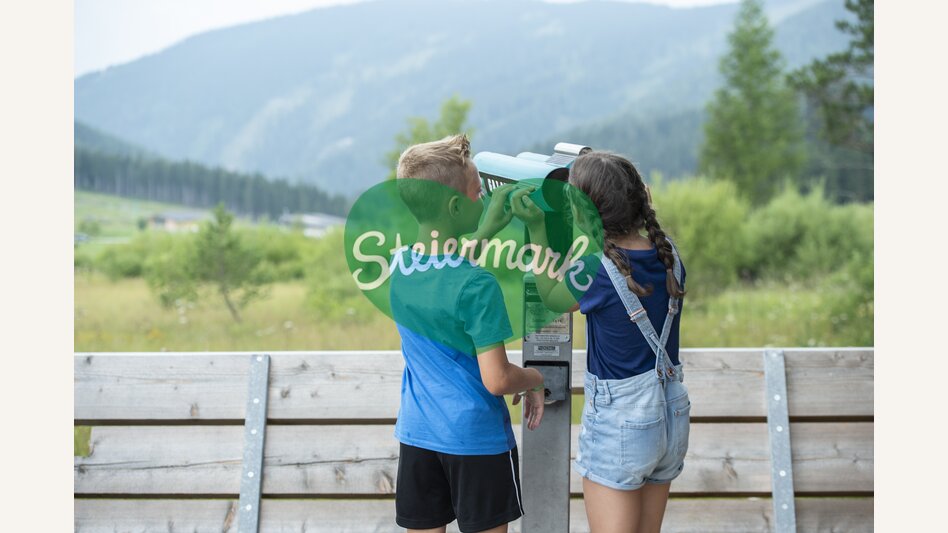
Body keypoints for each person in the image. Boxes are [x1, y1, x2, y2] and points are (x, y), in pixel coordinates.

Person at [509, 151, 690, 533]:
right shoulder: (668, 253)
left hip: (621, 422)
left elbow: (550, 298)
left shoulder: (595, 268)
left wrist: (538, 228)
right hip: (670, 419)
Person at [390, 133, 547, 533]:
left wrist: (487, 229)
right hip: (476, 442)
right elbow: (497, 380)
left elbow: (441, 270)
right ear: (456, 206)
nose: (485, 200)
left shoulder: (400, 269)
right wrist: (534, 379)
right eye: (480, 194)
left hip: (419, 438)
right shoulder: (478, 285)